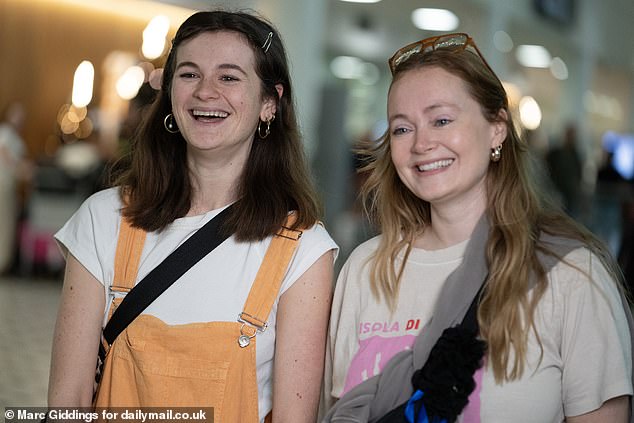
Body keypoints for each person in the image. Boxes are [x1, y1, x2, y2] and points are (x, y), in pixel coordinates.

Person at [323, 33, 633, 422]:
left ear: (497, 129)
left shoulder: (569, 274)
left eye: (441, 120)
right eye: (402, 128)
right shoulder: (365, 269)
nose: (421, 143)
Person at [48, 10, 337, 423]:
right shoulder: (105, 218)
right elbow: (69, 400)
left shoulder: (304, 250)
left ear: (269, 103)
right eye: (188, 74)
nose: (205, 92)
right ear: (169, 94)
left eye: (229, 77)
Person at [0, 101, 29, 275]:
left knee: (7, 225)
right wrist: (18, 167)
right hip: (2, 184)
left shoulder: (18, 138)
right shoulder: (5, 132)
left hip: (10, 187)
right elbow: (3, 151)